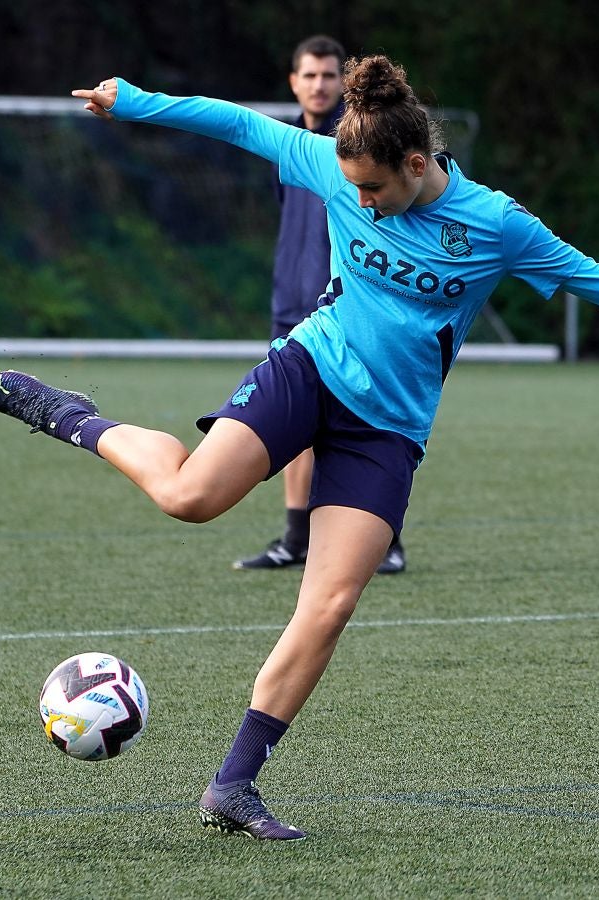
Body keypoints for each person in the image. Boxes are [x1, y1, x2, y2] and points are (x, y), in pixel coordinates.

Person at [0, 56, 599, 840]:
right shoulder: (331, 162)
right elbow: (236, 123)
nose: (360, 201)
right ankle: (68, 415)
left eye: (375, 189)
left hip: (388, 427)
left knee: (330, 604)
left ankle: (233, 785)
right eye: (352, 188)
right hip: (311, 369)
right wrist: (138, 101)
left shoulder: (495, 224)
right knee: (190, 498)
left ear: (418, 163)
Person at [232, 36, 408, 576]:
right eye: (309, 76)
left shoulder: (358, 146)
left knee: (365, 418)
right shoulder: (288, 146)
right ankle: (294, 536)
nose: (319, 85)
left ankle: (385, 538)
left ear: (342, 82)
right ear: (294, 82)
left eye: (329, 75)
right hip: (292, 297)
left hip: (349, 307)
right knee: (291, 422)